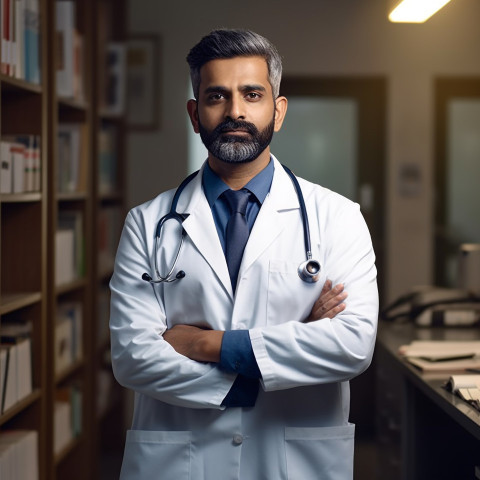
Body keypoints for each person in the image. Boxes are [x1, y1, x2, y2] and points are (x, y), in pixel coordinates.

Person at [110, 28, 378, 479]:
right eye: (217, 96)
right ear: (195, 115)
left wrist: (203, 343)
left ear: (278, 109)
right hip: (180, 461)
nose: (235, 111)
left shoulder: (338, 217)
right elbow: (133, 357)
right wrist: (289, 346)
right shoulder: (147, 222)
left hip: (295, 461)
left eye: (252, 94)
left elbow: (352, 345)